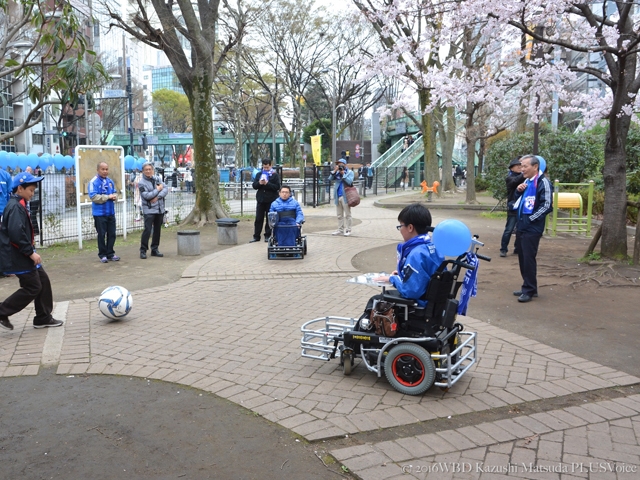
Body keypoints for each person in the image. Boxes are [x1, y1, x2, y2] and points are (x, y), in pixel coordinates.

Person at [0, 172, 64, 331]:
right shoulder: (15, 206)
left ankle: (42, 317)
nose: (32, 193)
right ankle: (2, 311)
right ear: (20, 188)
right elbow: (16, 233)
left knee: (43, 281)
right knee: (33, 286)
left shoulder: (20, 204)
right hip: (18, 256)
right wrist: (31, 253)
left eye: (34, 189)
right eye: (30, 189)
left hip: (23, 253)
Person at [374, 203, 444, 306]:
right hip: (434, 303)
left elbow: (411, 291)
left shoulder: (416, 254)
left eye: (401, 226)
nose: (400, 230)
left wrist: (392, 279)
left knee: (376, 300)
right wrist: (402, 275)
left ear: (410, 227)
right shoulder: (433, 247)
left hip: (420, 304)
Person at [512, 155, 552, 303]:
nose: (522, 169)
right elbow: (519, 201)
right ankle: (529, 286)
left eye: (525, 166)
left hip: (532, 228)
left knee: (528, 258)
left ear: (535, 167)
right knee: (522, 257)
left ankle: (528, 290)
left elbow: (547, 205)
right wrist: (518, 190)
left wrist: (531, 219)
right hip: (522, 225)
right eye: (521, 166)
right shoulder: (527, 182)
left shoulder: (543, 182)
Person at [88, 162, 120, 263]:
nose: (105, 171)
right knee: (101, 234)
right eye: (103, 169)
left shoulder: (110, 181)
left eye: (106, 169)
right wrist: (107, 197)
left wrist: (115, 196)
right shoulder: (93, 182)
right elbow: (94, 197)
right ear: (98, 170)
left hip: (110, 212)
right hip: (99, 214)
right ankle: (102, 254)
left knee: (112, 234)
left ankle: (110, 253)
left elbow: (114, 192)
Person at [138, 162, 169, 259]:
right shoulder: (141, 183)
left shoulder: (157, 179)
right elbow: (146, 196)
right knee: (147, 230)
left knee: (157, 230)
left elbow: (166, 189)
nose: (148, 171)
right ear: (143, 171)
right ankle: (143, 250)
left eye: (149, 169)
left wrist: (158, 196)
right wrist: (158, 189)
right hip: (149, 210)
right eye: (146, 169)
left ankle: (155, 249)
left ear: (153, 170)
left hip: (159, 209)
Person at [251, 158, 280, 243]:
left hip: (271, 200)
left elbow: (277, 187)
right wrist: (259, 183)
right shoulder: (259, 174)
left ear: (270, 165)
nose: (266, 169)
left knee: (269, 219)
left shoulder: (275, 175)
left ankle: (267, 235)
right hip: (261, 199)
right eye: (264, 167)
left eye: (267, 167)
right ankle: (256, 236)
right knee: (258, 218)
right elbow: (254, 185)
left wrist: (267, 184)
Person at [500, 157, 524, 257]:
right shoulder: (509, 178)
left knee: (520, 229)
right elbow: (515, 181)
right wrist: (525, 173)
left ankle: (517, 248)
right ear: (511, 168)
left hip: (523, 207)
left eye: (521, 165)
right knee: (509, 229)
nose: (519, 167)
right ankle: (503, 249)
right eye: (517, 166)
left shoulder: (526, 178)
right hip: (513, 207)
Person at [329, 157, 354, 236]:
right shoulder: (336, 173)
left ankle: (348, 230)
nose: (339, 165)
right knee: (339, 215)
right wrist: (335, 171)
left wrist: (343, 174)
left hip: (345, 196)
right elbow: (329, 179)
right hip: (337, 196)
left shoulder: (349, 172)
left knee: (347, 214)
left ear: (345, 165)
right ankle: (340, 230)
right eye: (338, 164)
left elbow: (350, 182)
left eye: (340, 164)